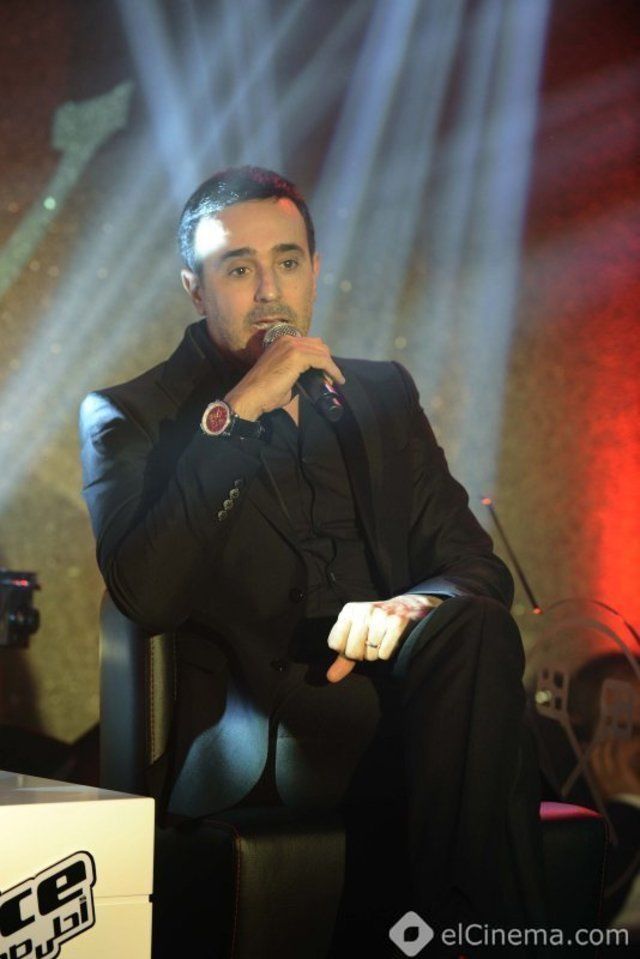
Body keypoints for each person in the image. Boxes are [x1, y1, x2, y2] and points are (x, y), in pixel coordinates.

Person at [79, 166, 547, 956]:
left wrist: (411, 607)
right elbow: (144, 594)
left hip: (415, 692)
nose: (270, 290)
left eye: (288, 261)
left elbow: (474, 563)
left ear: (316, 271)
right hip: (277, 723)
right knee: (490, 748)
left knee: (472, 627)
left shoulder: (380, 394)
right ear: (195, 289)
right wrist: (234, 416)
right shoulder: (133, 415)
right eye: (239, 268)